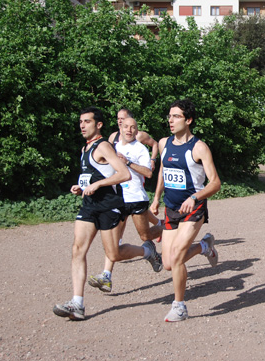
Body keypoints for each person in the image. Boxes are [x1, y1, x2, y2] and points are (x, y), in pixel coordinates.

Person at [53, 107, 162, 321]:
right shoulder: (85, 149)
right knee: (77, 250)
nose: (82, 125)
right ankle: (77, 303)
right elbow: (91, 176)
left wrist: (100, 184)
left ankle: (147, 252)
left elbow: (123, 174)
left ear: (99, 124)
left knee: (114, 254)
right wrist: (80, 187)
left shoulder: (103, 146)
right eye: (81, 121)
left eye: (87, 121)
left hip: (109, 206)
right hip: (89, 205)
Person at [150, 99, 221, 322]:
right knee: (169, 264)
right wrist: (156, 199)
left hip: (194, 209)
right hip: (171, 209)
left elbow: (215, 183)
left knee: (178, 256)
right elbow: (163, 171)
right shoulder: (164, 143)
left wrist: (194, 196)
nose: (170, 120)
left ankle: (179, 306)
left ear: (188, 120)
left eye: (176, 116)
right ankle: (204, 246)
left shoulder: (199, 147)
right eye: (169, 116)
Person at [88, 117, 164, 293]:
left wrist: (128, 162)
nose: (129, 130)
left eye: (133, 127)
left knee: (146, 235)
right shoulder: (111, 147)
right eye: (126, 126)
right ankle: (106, 275)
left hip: (136, 198)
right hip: (117, 199)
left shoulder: (140, 149)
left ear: (136, 131)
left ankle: (166, 226)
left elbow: (148, 173)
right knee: (114, 242)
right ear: (119, 128)